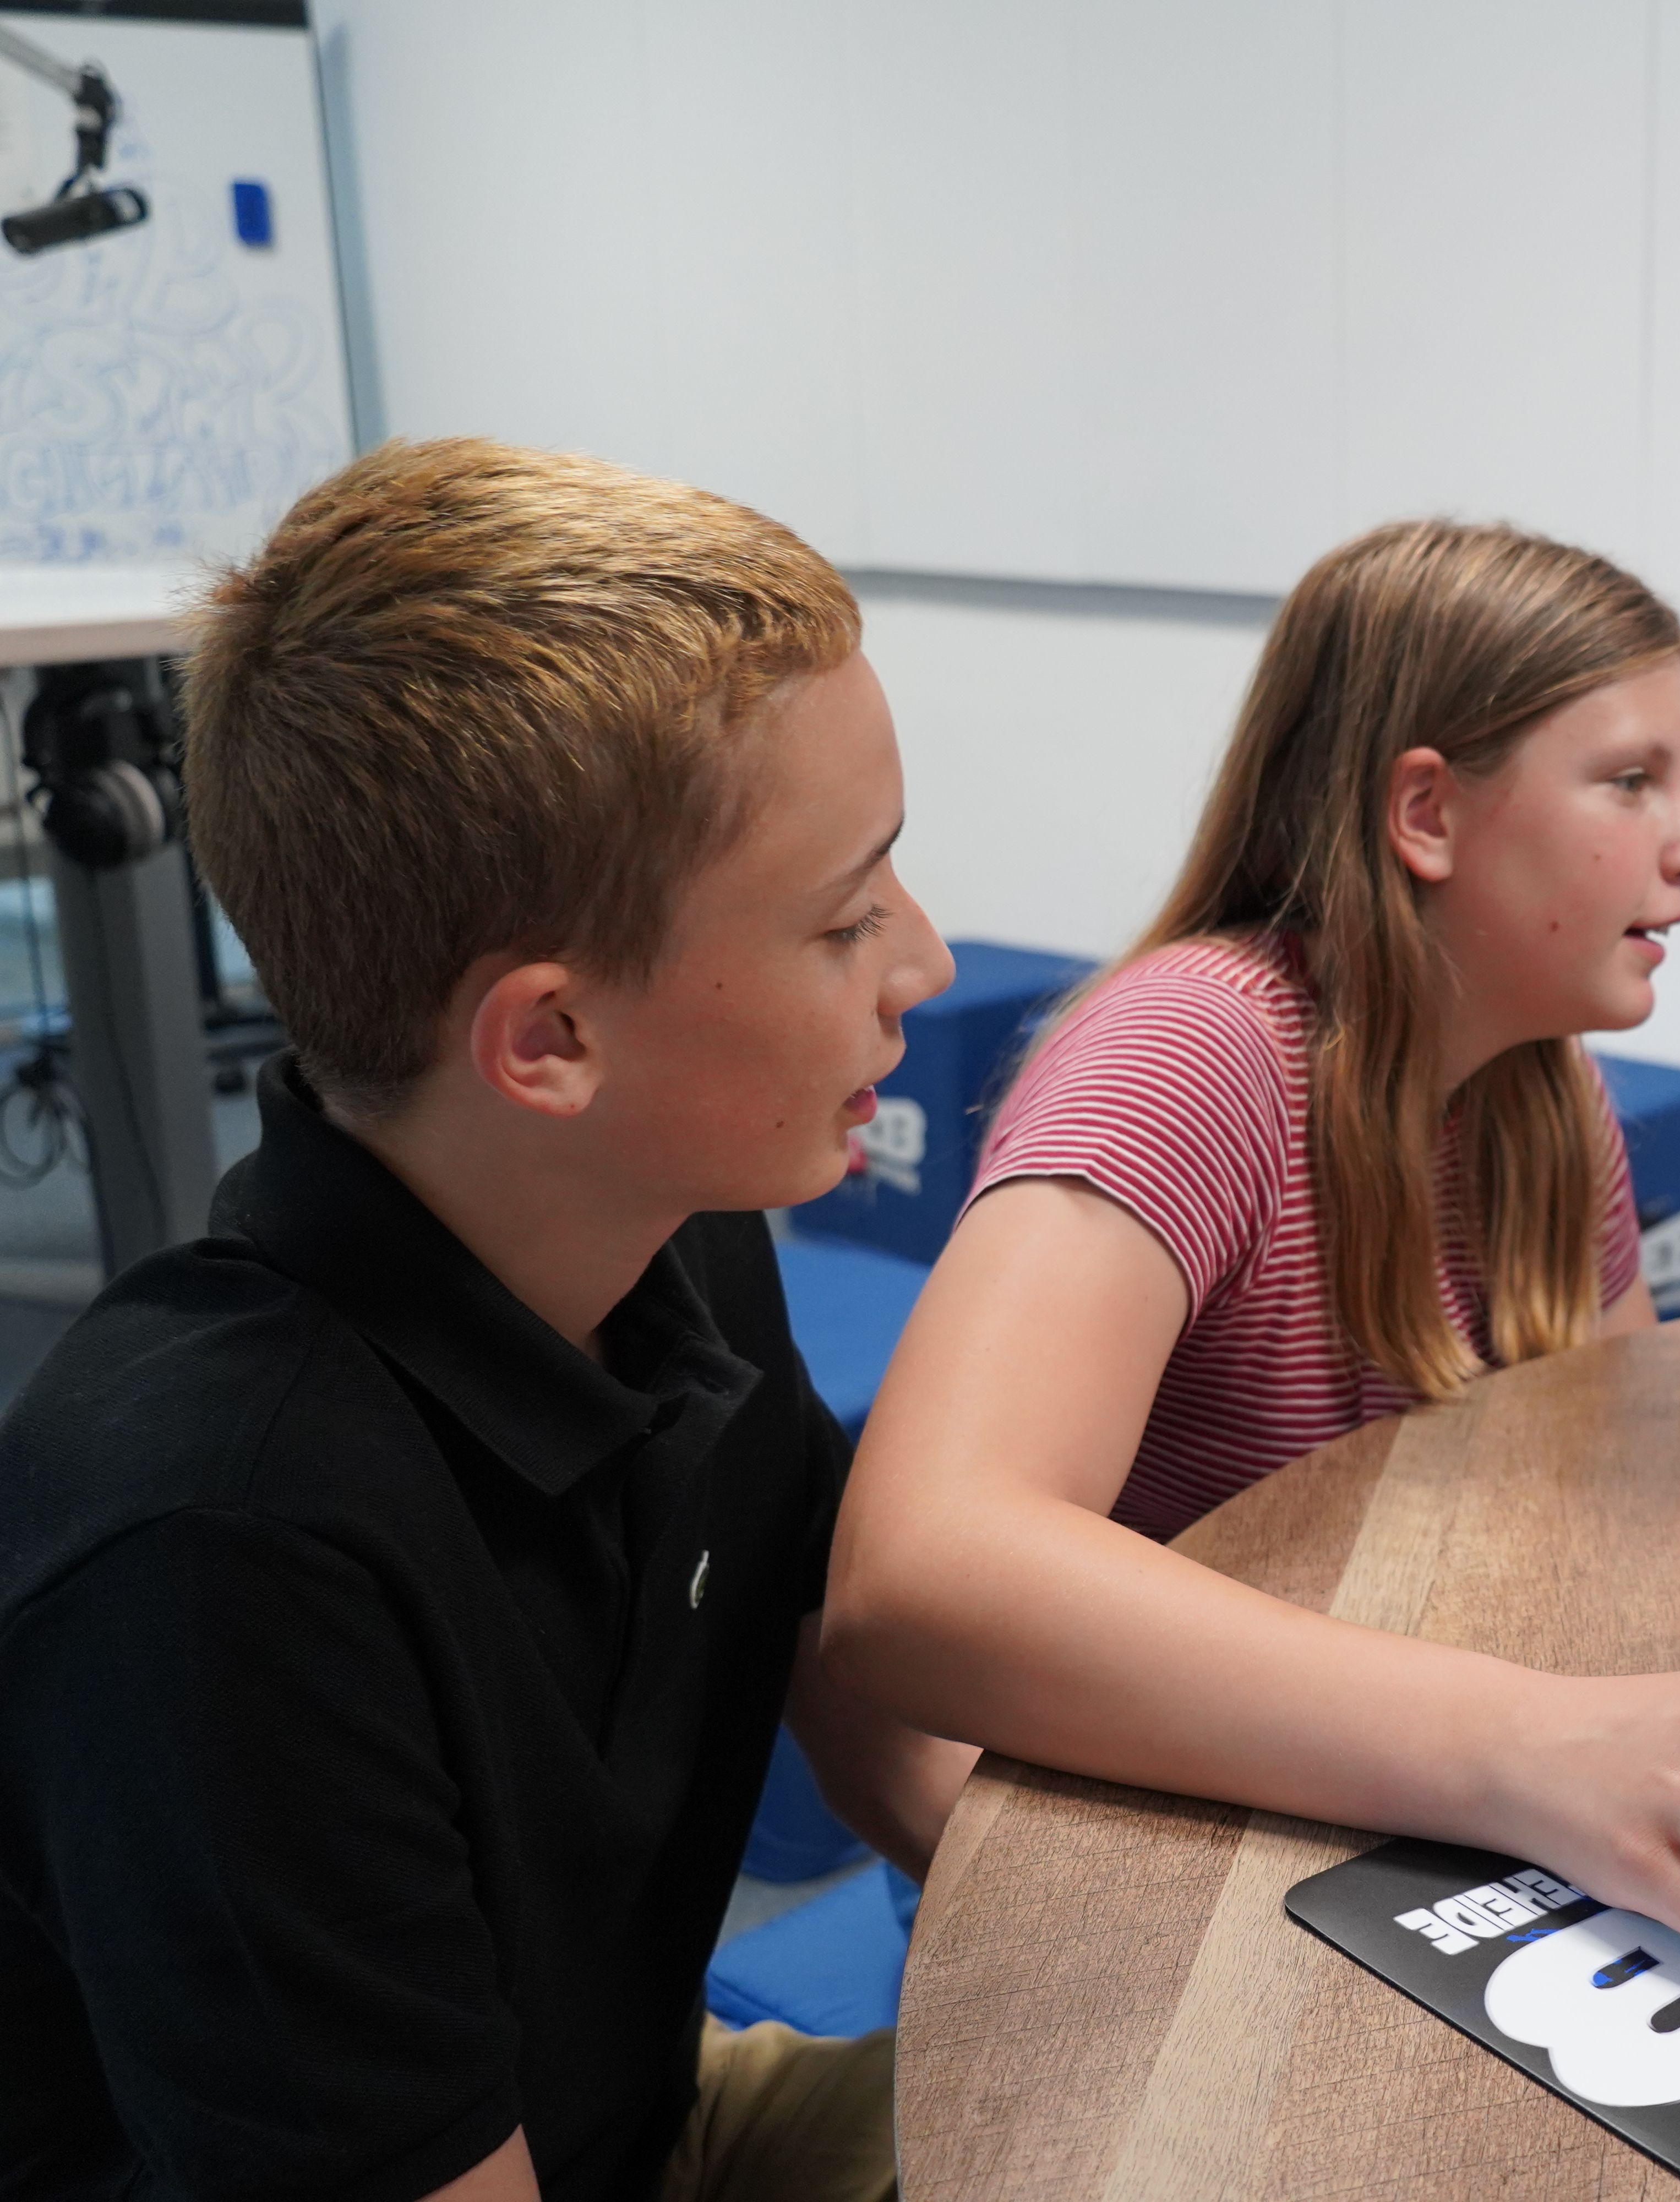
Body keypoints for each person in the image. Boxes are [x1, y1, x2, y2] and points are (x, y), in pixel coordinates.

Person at [825, 520, 1680, 2016]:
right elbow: (917, 1575)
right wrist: (1524, 1744)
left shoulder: (1544, 1093)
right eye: (1632, 778)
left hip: (1386, 1796)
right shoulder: (1189, 1044)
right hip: (1140, 1841)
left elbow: (1620, 1495)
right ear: (1428, 814)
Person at [0, 440, 979, 2202]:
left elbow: (856, 1684)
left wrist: (1147, 1945)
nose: (927, 965)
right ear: (551, 1042)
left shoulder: (675, 1232)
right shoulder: (221, 1554)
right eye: (847, 920)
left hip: (636, 2124)